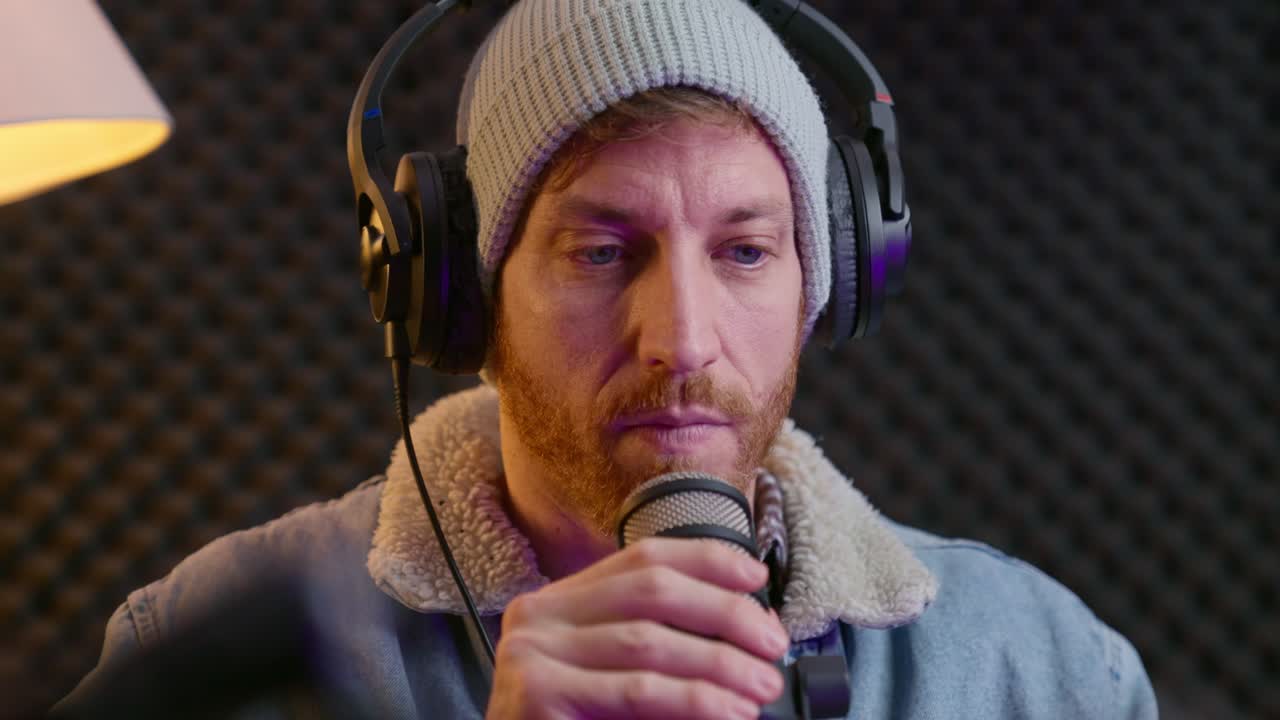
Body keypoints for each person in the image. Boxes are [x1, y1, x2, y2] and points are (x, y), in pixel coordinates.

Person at [57, 0, 1157, 717]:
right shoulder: (215, 655)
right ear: (463, 290)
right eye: (599, 251)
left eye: (742, 250)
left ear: (828, 279)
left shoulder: (1040, 671)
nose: (678, 340)